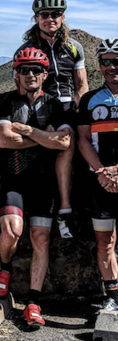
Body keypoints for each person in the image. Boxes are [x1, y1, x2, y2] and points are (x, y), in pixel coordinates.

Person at [0, 48, 71, 327]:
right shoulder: (5, 101)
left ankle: (33, 303)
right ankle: (4, 268)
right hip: (13, 179)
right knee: (11, 231)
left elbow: (64, 142)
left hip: (43, 182)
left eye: (36, 70)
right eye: (24, 70)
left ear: (45, 74)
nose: (30, 75)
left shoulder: (55, 104)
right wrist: (45, 138)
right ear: (16, 74)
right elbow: (3, 140)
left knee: (40, 238)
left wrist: (27, 131)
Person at [16, 0, 88, 238]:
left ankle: (67, 208)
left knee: (74, 139)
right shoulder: (27, 49)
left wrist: (79, 109)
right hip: (41, 106)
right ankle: (61, 210)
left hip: (68, 107)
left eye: (55, 14)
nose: (50, 19)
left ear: (63, 17)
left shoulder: (74, 47)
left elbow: (81, 85)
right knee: (63, 142)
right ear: (36, 18)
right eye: (44, 15)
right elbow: (21, 88)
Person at [77, 38, 118, 312]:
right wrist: (103, 172)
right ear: (99, 65)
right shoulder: (89, 100)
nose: (112, 66)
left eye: (117, 61)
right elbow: (82, 139)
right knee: (105, 242)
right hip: (100, 182)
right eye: (106, 61)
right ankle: (114, 296)